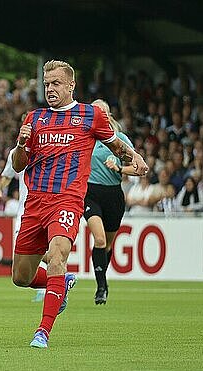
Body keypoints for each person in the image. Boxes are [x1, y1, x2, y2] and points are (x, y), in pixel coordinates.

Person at [11, 60, 148, 348]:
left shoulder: (90, 115)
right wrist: (21, 144)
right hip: (36, 202)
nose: (50, 89)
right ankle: (61, 284)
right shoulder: (33, 119)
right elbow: (18, 164)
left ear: (71, 85)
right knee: (21, 277)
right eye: (47, 84)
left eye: (56, 83)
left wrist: (135, 157)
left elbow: (116, 146)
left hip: (68, 200)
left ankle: (42, 332)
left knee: (57, 255)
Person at [83, 99, 140, 305]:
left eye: (103, 111)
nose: (100, 115)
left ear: (108, 115)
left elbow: (138, 167)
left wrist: (119, 169)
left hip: (113, 195)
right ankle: (100, 288)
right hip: (90, 193)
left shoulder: (120, 138)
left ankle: (103, 281)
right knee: (99, 240)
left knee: (107, 245)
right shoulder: (84, 138)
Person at [0, 150, 46, 303]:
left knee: (36, 256)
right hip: (25, 213)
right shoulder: (17, 152)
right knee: (21, 266)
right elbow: (8, 174)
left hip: (47, 209)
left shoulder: (50, 147)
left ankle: (52, 286)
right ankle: (58, 280)